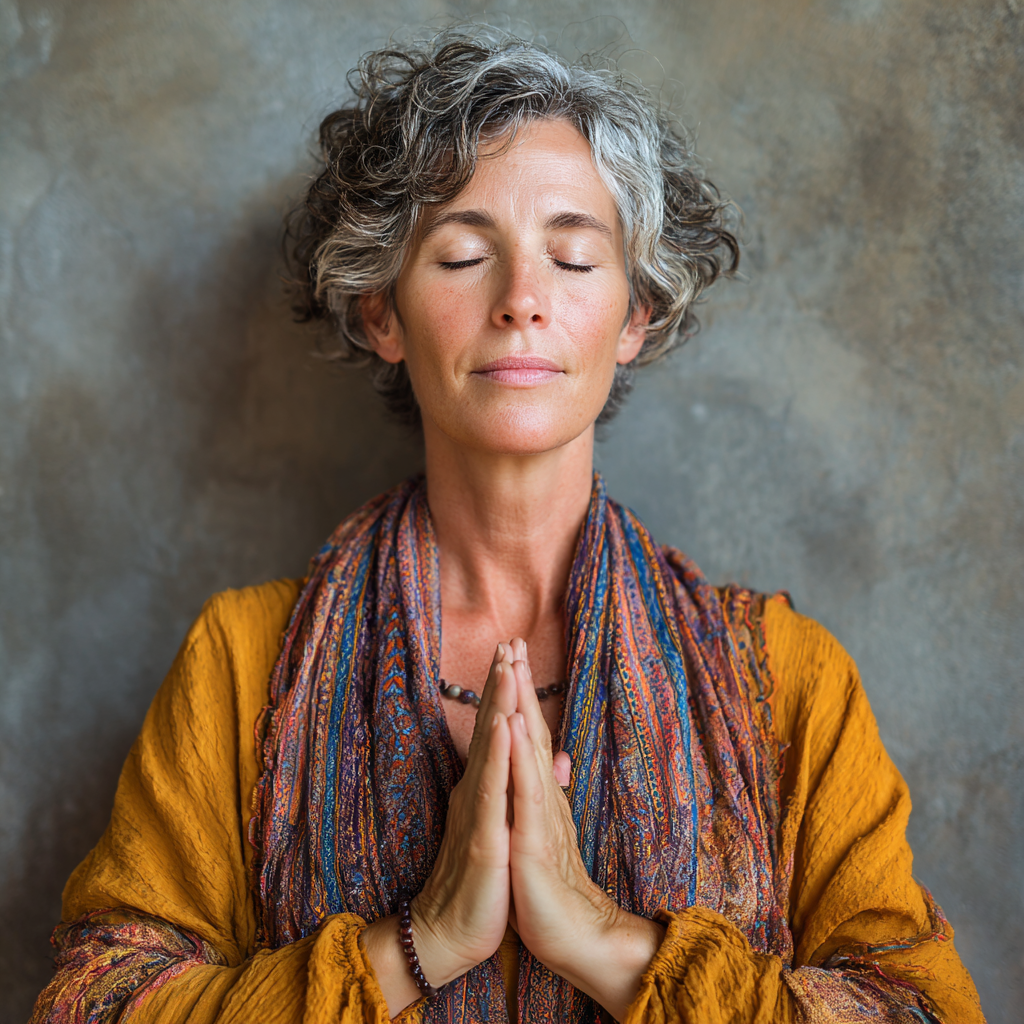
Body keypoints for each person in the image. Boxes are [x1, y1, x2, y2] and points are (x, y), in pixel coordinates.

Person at [31, 29, 984, 1024]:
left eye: (573, 257)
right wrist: (421, 939)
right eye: (464, 254)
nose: (520, 301)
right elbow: (93, 1004)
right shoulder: (240, 667)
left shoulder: (789, 681)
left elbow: (921, 1008)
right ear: (380, 314)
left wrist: (600, 939)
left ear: (634, 317)